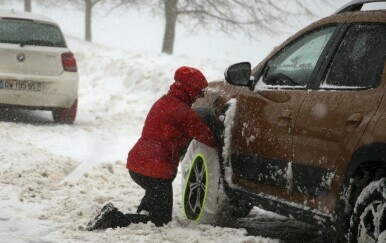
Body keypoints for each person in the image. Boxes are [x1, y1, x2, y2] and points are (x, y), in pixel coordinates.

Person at [87, 66, 216, 230]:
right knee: (160, 221)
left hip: (138, 165)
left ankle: (143, 210)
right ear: (191, 89)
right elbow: (209, 138)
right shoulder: (183, 112)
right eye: (200, 90)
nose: (201, 95)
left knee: (155, 194)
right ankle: (113, 217)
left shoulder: (164, 101)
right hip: (155, 171)